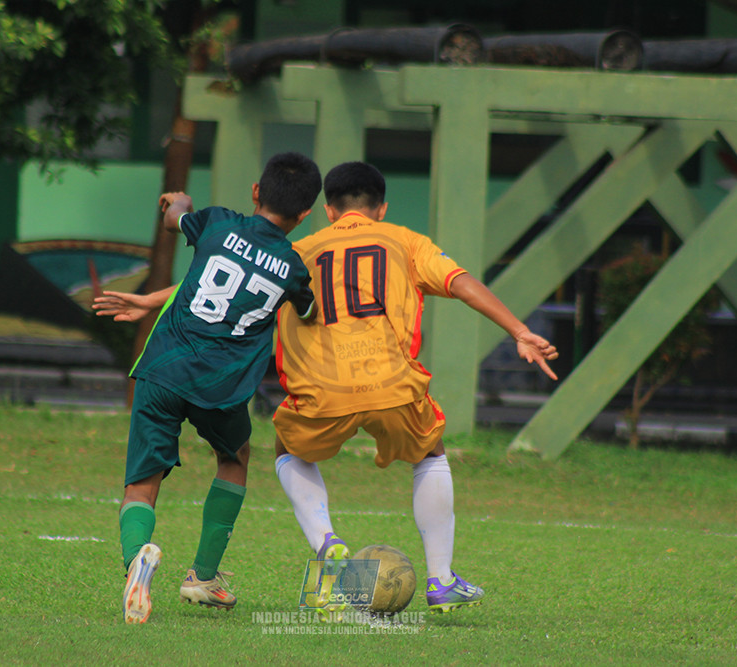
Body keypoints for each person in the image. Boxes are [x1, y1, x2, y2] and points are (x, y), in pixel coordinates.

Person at [272, 161, 558, 614]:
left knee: (287, 448)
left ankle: (327, 544)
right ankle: (441, 580)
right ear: (381, 208)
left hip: (322, 388)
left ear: (329, 210)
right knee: (430, 451)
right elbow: (461, 284)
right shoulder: (404, 241)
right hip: (391, 384)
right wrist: (519, 331)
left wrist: (154, 300)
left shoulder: (299, 249)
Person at [92, 152, 321, 623]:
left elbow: (177, 219)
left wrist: (179, 201)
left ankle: (138, 557)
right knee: (234, 458)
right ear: (304, 215)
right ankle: (203, 578)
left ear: (256, 192)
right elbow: (310, 312)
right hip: (223, 386)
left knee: (141, 483)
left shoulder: (216, 225)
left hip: (163, 370)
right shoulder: (293, 268)